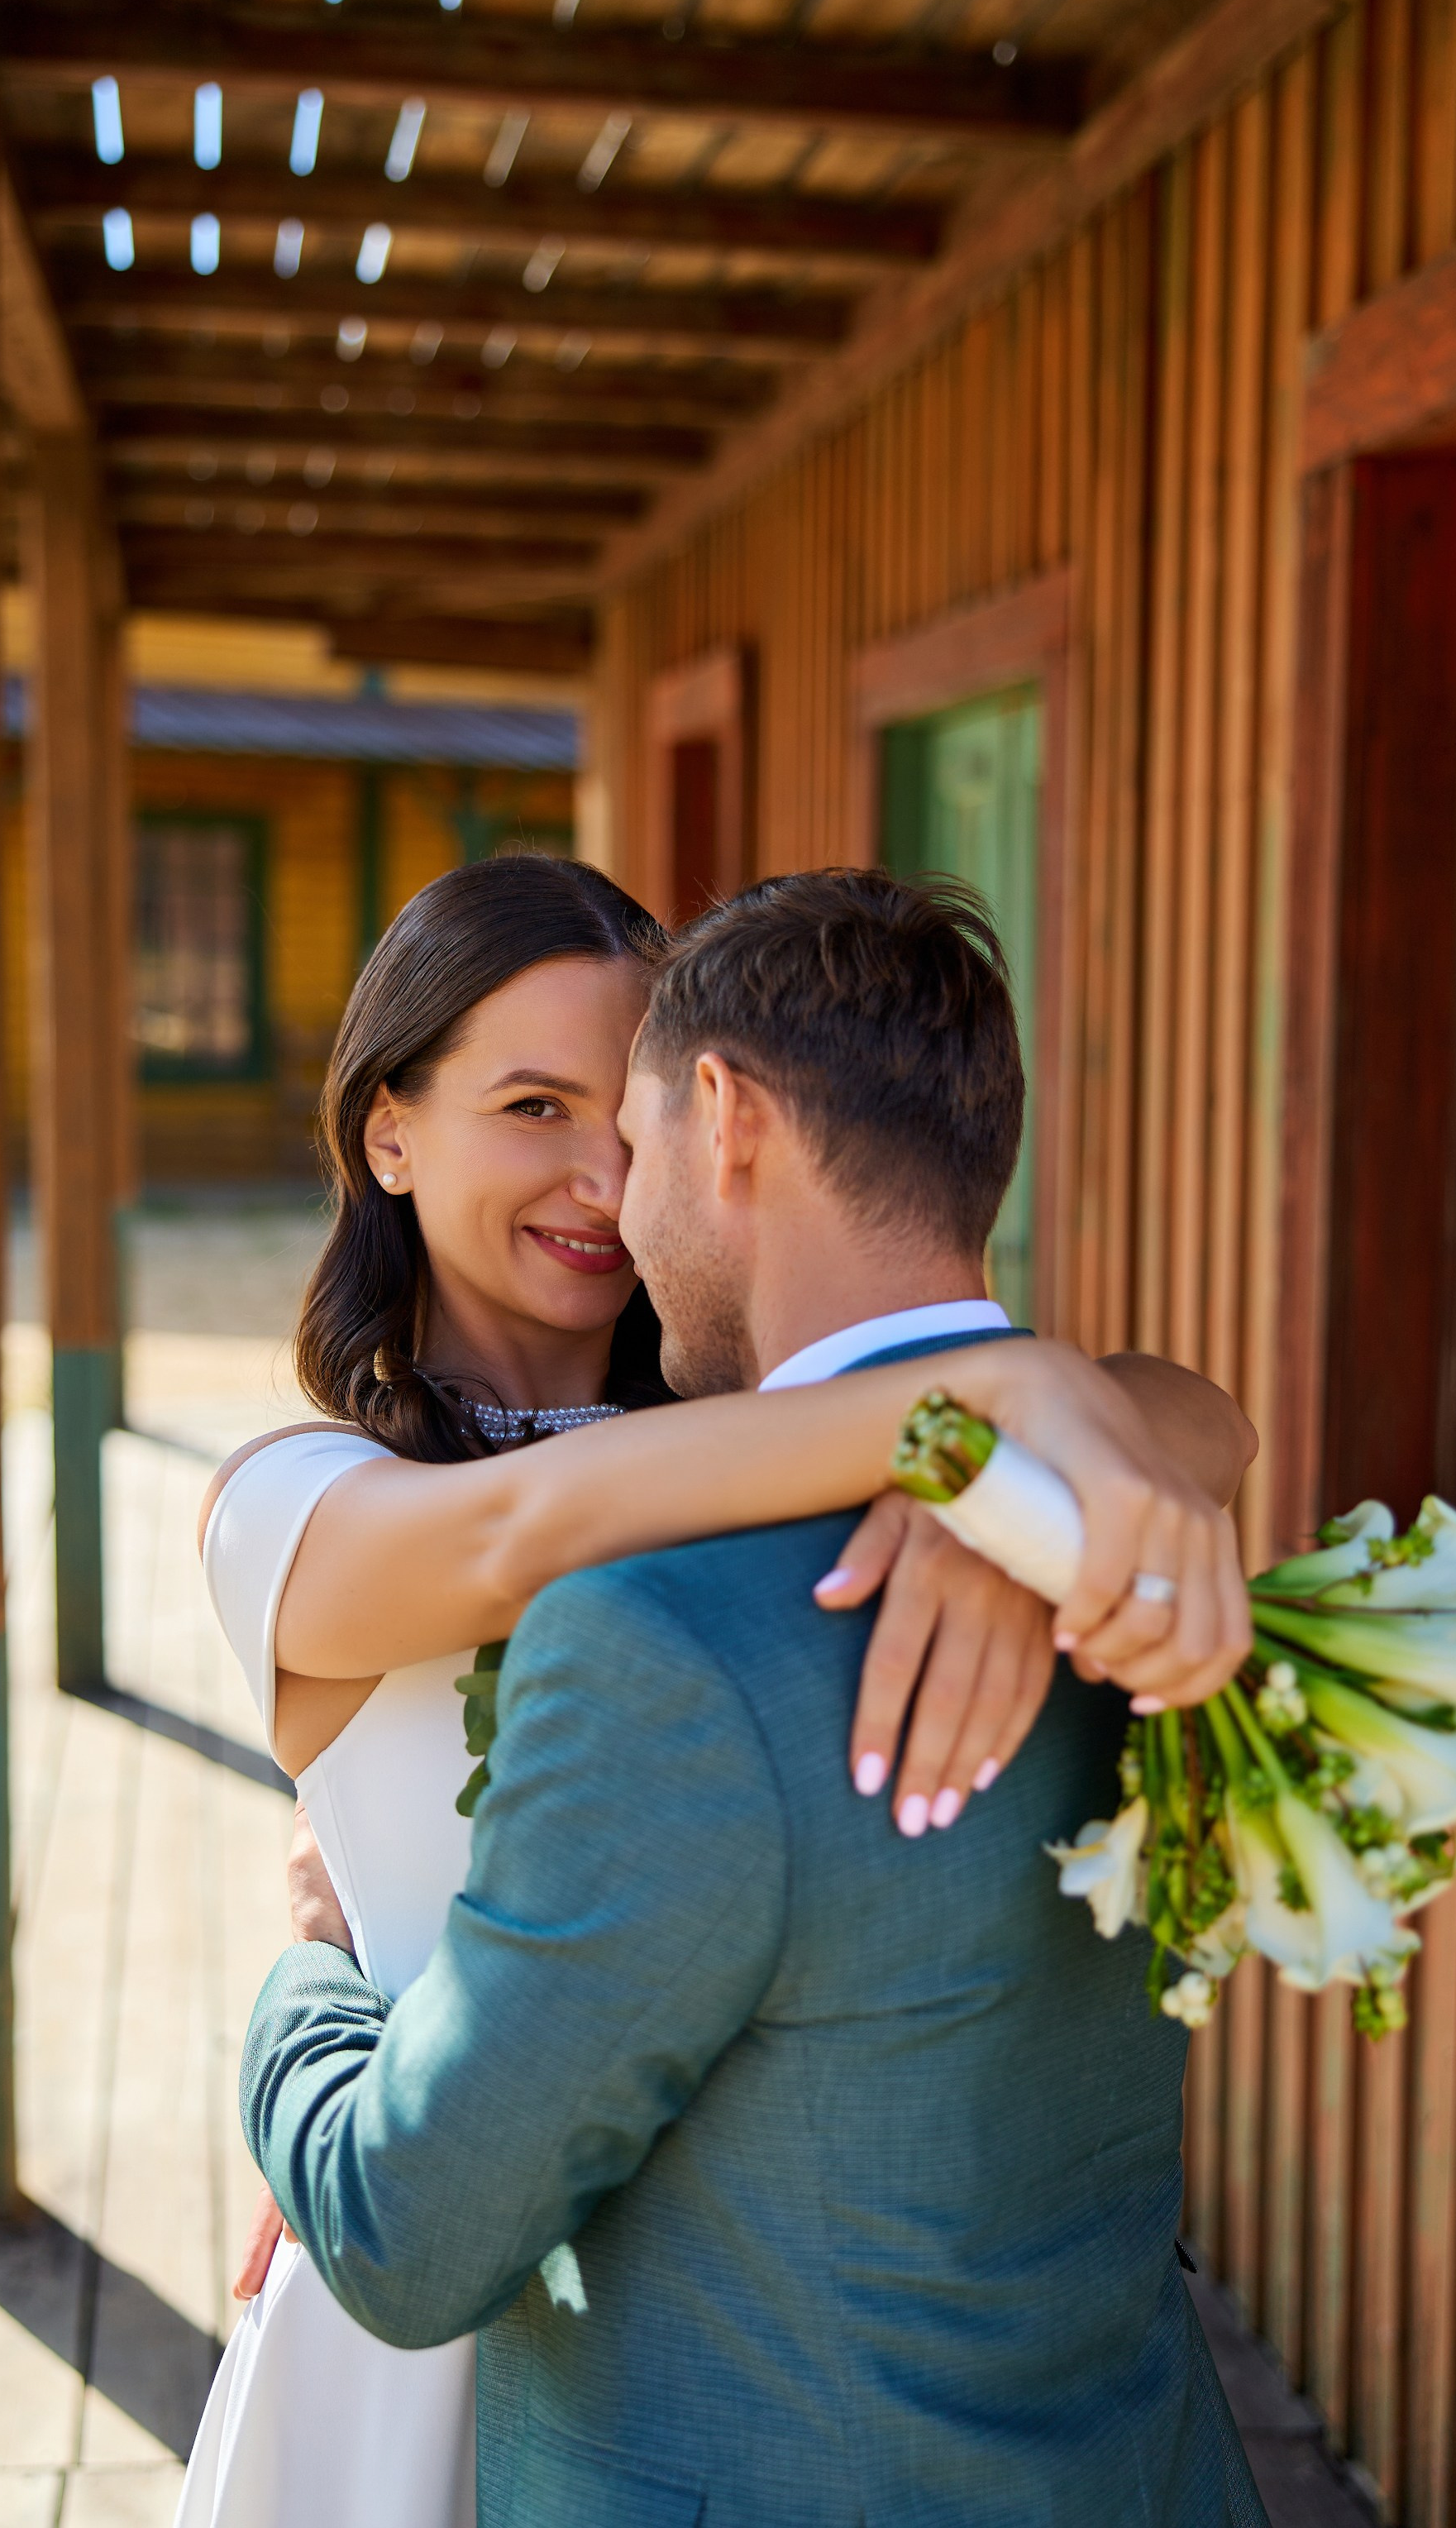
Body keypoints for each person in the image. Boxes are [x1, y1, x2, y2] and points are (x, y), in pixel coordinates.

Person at [184, 857, 1258, 2528]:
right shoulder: (294, 1499)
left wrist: (991, 1484)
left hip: (735, 2318)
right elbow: (527, 1527)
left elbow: (1193, 1422)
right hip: (424, 2302)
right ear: (387, 1128)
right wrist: (984, 1401)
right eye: (532, 1106)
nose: (602, 1175)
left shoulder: (763, 1442)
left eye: (625, 1113)